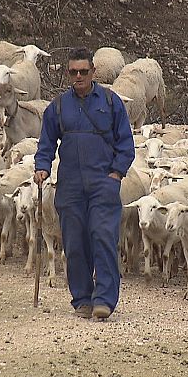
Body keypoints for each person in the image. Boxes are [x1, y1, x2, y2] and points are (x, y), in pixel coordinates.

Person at [34, 47, 135, 320]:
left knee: (103, 237)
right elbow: (46, 142)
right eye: (73, 72)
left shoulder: (111, 102)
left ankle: (104, 299)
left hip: (103, 181)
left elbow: (126, 143)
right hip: (70, 184)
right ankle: (82, 299)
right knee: (74, 242)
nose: (78, 76)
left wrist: (116, 174)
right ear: (68, 73)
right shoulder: (57, 107)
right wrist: (42, 167)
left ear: (93, 72)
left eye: (83, 71)